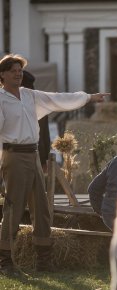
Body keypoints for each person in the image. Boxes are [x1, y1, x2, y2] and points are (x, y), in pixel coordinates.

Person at [0, 53, 108, 273]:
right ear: (2, 75)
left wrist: (88, 97)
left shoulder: (29, 95)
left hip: (32, 155)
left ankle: (43, 259)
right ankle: (6, 261)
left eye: (20, 71)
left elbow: (58, 99)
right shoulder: (1, 100)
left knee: (41, 207)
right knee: (13, 206)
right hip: (14, 155)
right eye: (14, 71)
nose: (18, 74)